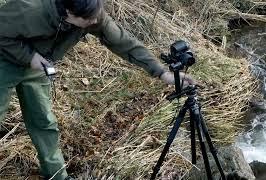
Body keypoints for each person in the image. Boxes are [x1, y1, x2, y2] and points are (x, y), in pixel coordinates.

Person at [0, 0, 194, 179]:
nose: (95, 21)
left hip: (39, 66)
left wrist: (162, 73)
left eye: (96, 16)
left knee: (44, 122)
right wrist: (29, 57)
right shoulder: (31, 10)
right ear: (69, 12)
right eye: (89, 19)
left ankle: (57, 175)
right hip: (4, 60)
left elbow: (124, 42)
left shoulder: (92, 13)